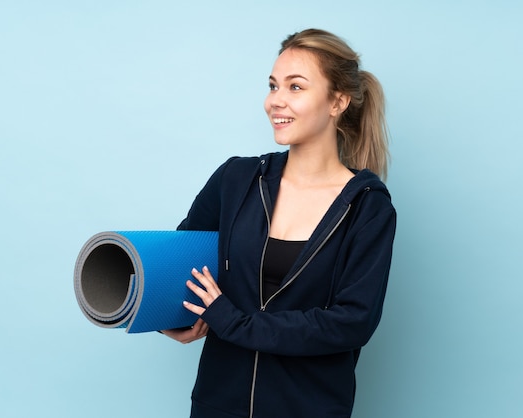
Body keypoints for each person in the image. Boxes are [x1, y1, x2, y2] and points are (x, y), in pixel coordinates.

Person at [162, 28, 396, 418]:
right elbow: (179, 261)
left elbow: (351, 322)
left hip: (308, 408)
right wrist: (170, 316)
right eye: (273, 86)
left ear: (338, 101)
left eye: (296, 87)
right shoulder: (235, 180)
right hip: (218, 404)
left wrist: (233, 323)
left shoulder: (368, 208)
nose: (276, 101)